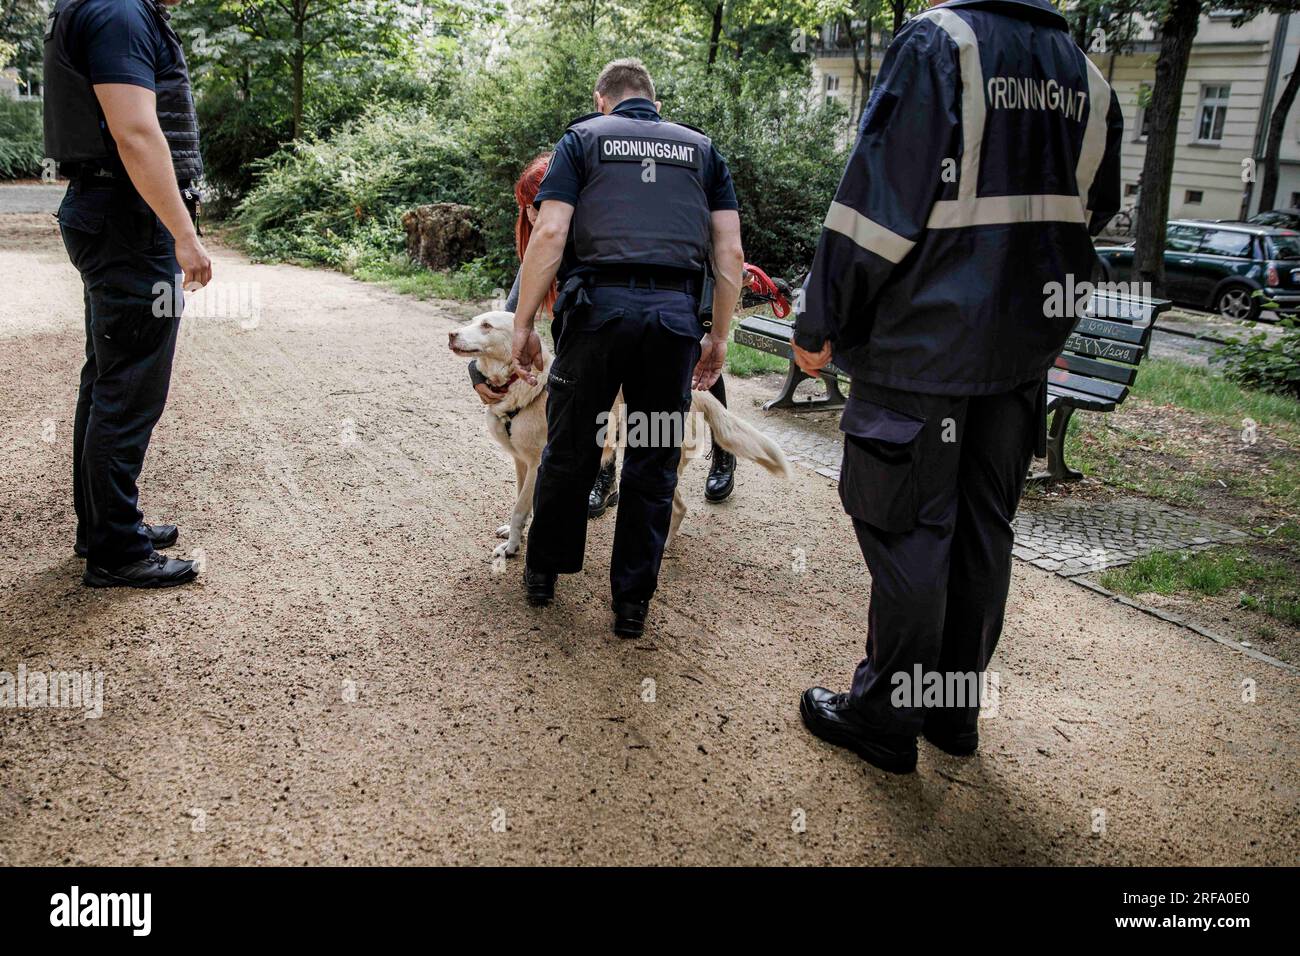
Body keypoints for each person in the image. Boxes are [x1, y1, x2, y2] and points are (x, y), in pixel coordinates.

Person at [792, 0, 1122, 773]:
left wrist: (819, 319)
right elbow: (1091, 212)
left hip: (924, 347)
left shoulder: (943, 43)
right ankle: (950, 711)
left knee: (911, 528)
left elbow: (874, 207)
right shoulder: (1088, 77)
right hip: (1018, 357)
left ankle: (883, 718)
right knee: (982, 532)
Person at [509, 58, 745, 637]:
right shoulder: (702, 151)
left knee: (571, 448)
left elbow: (550, 232)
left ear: (601, 100)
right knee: (653, 456)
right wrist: (717, 334)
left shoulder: (582, 140)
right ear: (655, 104)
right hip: (671, 326)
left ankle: (544, 573)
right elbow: (730, 254)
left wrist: (523, 324)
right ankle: (632, 605)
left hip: (595, 318)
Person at [44, 0, 211, 588]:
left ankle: (104, 527)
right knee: (129, 384)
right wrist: (183, 235)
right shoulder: (118, 11)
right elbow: (136, 132)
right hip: (128, 222)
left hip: (114, 215)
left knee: (109, 376)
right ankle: (116, 550)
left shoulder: (107, 8)